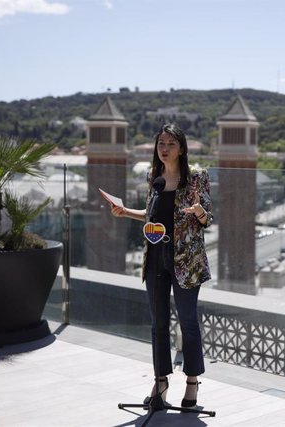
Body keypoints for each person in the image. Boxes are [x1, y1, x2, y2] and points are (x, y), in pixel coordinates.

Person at [110, 123, 212, 408]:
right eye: (161, 143)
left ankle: (192, 383)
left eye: (170, 144)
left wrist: (199, 211)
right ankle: (161, 381)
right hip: (156, 257)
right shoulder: (153, 178)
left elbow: (208, 220)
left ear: (181, 149)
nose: (164, 148)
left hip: (186, 262)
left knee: (188, 322)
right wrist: (125, 211)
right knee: (158, 324)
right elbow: (151, 216)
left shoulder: (196, 178)